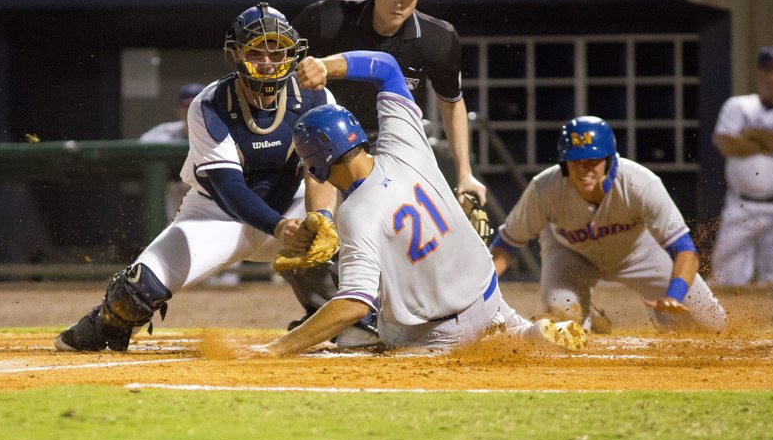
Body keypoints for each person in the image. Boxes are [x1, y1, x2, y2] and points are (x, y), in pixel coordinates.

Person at [250, 50, 587, 356]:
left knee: (355, 337)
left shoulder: (356, 212)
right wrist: (325, 67)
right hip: (488, 297)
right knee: (496, 321)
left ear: (317, 165)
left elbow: (353, 303)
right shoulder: (403, 143)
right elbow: (388, 68)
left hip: (437, 335)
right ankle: (528, 333)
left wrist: (276, 348)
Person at [55, 2, 337, 352]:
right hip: (217, 216)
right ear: (236, 55)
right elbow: (229, 188)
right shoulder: (210, 104)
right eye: (256, 52)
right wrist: (279, 227)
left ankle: (358, 319)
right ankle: (102, 323)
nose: (268, 63)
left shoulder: (315, 95)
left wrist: (321, 218)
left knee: (360, 221)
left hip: (290, 209)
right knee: (137, 291)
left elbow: (322, 171)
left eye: (277, 51)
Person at [489, 115, 727, 334]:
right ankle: (587, 313)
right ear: (564, 164)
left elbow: (685, 250)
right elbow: (507, 244)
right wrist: (482, 285)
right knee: (563, 315)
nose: (584, 171)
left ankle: (660, 312)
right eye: (575, 162)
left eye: (592, 161)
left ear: (610, 160)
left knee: (714, 325)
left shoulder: (639, 183)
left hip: (638, 253)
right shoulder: (545, 188)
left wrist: (674, 296)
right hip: (571, 254)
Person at [292, 0, 487, 206]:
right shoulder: (327, 18)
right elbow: (278, 71)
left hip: (393, 145)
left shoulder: (438, 39)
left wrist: (465, 174)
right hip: (326, 143)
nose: (399, 2)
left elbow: (451, 104)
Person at [710, 46, 773, 288]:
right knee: (724, 281)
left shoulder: (750, 120)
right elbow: (726, 144)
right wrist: (770, 144)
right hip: (740, 204)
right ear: (759, 73)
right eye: (768, 71)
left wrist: (754, 134)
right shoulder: (738, 105)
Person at [139, 82, 205, 221]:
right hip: (175, 217)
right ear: (179, 109)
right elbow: (142, 147)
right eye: (187, 106)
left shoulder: (220, 133)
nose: (191, 111)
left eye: (197, 106)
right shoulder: (167, 132)